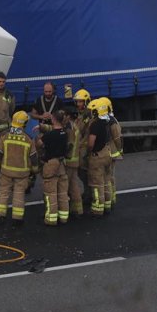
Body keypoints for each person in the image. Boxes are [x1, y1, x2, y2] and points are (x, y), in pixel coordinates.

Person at [0, 111, 38, 226]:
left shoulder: (5, 137)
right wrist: (34, 171)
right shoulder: (28, 139)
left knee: (3, 192)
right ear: (25, 123)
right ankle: (17, 218)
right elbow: (33, 157)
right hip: (22, 174)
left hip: (6, 171)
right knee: (19, 194)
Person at [39, 110, 70, 226]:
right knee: (62, 193)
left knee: (50, 193)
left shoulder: (49, 135)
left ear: (53, 119)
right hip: (62, 164)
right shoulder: (64, 133)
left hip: (51, 164)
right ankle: (64, 217)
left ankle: (51, 219)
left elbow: (39, 144)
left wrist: (40, 137)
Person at [86, 98, 114, 217]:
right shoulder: (107, 122)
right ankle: (107, 205)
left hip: (97, 157)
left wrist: (88, 152)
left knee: (97, 184)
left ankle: (98, 209)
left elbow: (91, 143)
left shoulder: (95, 125)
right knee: (107, 181)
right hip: (107, 154)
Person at [66, 88, 91, 219]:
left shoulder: (87, 115)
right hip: (80, 146)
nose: (78, 104)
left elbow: (81, 130)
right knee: (80, 172)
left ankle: (89, 193)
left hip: (84, 147)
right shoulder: (81, 115)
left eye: (80, 102)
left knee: (83, 171)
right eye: (77, 102)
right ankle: (87, 193)